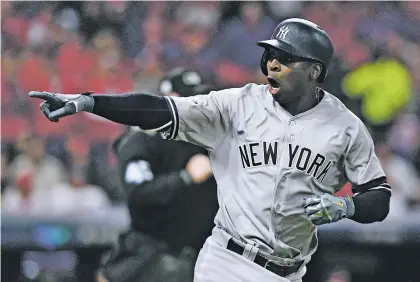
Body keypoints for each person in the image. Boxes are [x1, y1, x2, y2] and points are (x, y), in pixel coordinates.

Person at [29, 18, 391, 282]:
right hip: (225, 261)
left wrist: (348, 206)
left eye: (285, 57)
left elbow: (379, 195)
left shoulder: (345, 127)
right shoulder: (237, 105)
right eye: (269, 55)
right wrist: (89, 102)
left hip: (289, 272)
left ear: (314, 71)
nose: (272, 63)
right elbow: (157, 108)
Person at [96, 68, 219, 282]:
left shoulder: (209, 141)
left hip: (204, 257)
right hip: (153, 255)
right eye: (190, 99)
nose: (198, 106)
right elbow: (139, 192)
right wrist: (185, 178)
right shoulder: (144, 140)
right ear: (169, 101)